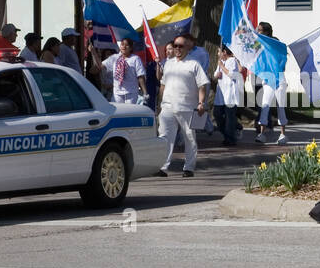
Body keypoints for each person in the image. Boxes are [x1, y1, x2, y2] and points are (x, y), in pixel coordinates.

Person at [155, 34, 210, 177]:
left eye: (181, 46)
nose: (177, 48)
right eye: (175, 45)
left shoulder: (194, 64)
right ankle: (162, 167)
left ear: (188, 47)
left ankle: (189, 168)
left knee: (189, 138)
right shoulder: (168, 63)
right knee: (165, 137)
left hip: (187, 107)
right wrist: (160, 104)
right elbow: (163, 85)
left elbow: (202, 86)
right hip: (167, 106)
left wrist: (201, 103)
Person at [252, 22, 289, 145]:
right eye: (257, 29)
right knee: (265, 105)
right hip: (267, 79)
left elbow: (282, 56)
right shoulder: (259, 44)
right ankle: (262, 134)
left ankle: (283, 134)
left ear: (266, 31)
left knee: (280, 106)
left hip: (279, 79)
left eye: (260, 30)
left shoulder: (274, 43)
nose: (258, 32)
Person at [213, 44, 243, 145]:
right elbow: (215, 74)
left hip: (230, 95)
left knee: (229, 117)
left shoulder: (232, 61)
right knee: (217, 114)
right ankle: (236, 126)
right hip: (221, 94)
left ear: (224, 52)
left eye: (219, 51)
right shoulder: (221, 62)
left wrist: (222, 67)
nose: (218, 54)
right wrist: (218, 73)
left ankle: (230, 139)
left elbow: (232, 75)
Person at [102, 37, 146, 105]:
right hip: (117, 93)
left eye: (127, 45)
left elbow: (140, 76)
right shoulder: (115, 57)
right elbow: (100, 66)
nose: (124, 47)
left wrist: (145, 92)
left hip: (131, 93)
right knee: (117, 113)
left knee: (129, 113)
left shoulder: (135, 59)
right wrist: (93, 52)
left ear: (131, 48)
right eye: (122, 44)